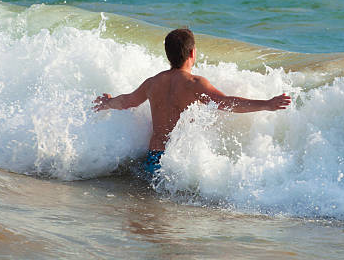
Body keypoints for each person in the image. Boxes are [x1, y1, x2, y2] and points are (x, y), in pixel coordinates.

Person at [93, 28, 291, 175]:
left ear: (167, 54)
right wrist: (266, 104)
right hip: (177, 163)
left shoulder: (153, 83)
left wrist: (108, 103)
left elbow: (128, 101)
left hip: (153, 158)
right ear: (192, 53)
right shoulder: (194, 84)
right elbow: (226, 102)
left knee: (152, 212)